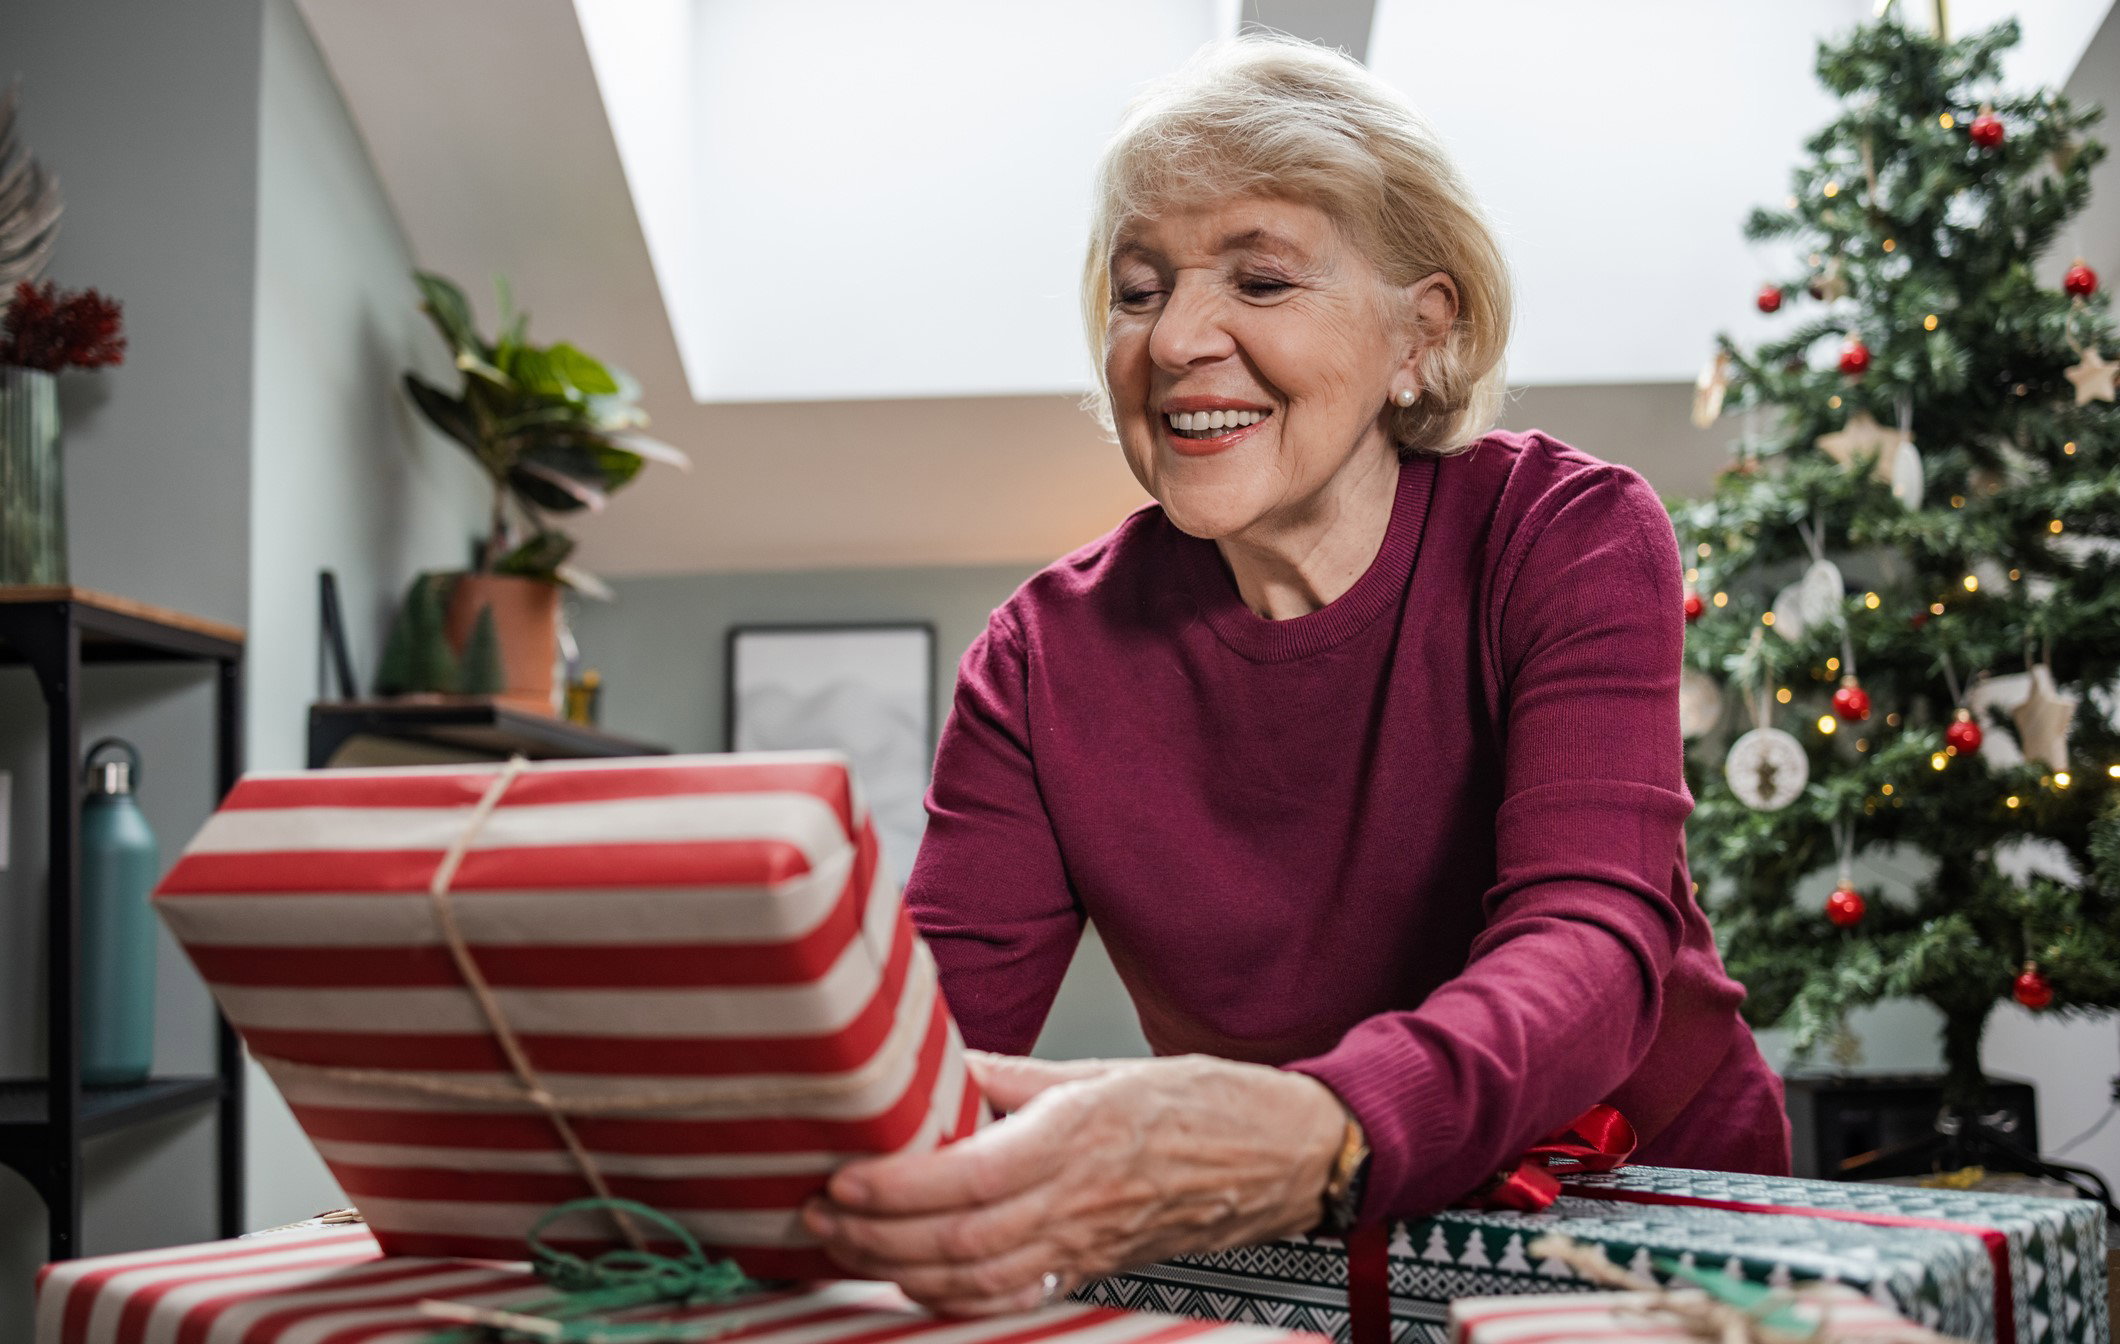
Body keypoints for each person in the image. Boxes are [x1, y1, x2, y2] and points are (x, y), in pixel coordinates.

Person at [800, 33, 1790, 1316]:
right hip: (1296, 1248)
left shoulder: (1567, 533)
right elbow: (925, 1049)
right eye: (1139, 289)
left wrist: (1313, 1127)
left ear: (1418, 336)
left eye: (1260, 280)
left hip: (1648, 1214)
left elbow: (1593, 945)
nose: (1173, 342)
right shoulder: (1037, 658)